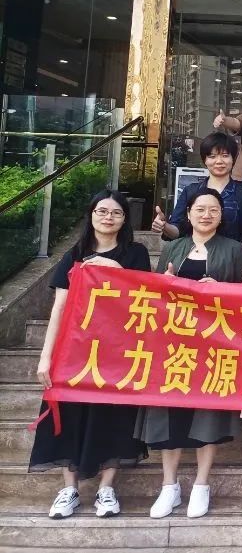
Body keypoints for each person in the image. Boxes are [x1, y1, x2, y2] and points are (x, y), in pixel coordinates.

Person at [31, 191, 151, 520]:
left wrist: (114, 268)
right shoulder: (74, 254)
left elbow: (145, 296)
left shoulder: (136, 253)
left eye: (116, 213)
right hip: (75, 350)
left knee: (114, 417)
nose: (108, 217)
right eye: (102, 211)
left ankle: (106, 488)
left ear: (125, 219)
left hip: (118, 351)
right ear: (92, 214)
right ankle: (68, 489)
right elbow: (59, 308)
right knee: (68, 414)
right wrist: (46, 357)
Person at [139, 188, 242, 519]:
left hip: (214, 345)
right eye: (200, 209)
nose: (206, 215)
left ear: (221, 215)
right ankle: (169, 486)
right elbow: (156, 296)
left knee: (207, 416)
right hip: (174, 344)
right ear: (188, 214)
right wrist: (166, 283)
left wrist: (221, 291)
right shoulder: (174, 247)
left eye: (213, 209)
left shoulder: (233, 250)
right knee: (169, 415)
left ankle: (202, 484)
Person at [153, 132, 242, 250]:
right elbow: (177, 231)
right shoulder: (191, 191)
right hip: (193, 255)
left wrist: (240, 260)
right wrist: (164, 226)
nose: (219, 161)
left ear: (233, 158)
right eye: (212, 156)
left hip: (229, 258)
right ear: (205, 160)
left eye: (225, 155)